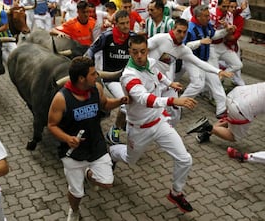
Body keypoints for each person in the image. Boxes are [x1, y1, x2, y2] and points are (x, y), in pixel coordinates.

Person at [109, 35, 197, 213]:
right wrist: (173, 101)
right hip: (139, 129)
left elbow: (157, 73)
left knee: (185, 159)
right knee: (130, 159)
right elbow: (143, 99)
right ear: (129, 52)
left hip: (159, 122)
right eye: (135, 52)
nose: (140, 56)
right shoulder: (128, 76)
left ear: (147, 50)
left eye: (143, 51)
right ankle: (111, 152)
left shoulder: (149, 61)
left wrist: (169, 82)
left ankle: (176, 193)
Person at [47, 56, 129, 221]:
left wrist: (120, 101)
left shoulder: (96, 88)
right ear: (81, 78)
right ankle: (74, 211)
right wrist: (67, 138)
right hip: (73, 151)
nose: (97, 76)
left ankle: (88, 173)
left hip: (96, 145)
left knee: (107, 182)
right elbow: (51, 125)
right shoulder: (61, 99)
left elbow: (104, 104)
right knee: (77, 193)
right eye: (93, 74)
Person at [147, 18, 233, 126]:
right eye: (179, 31)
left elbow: (199, 63)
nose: (182, 35)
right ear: (173, 29)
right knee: (146, 110)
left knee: (175, 112)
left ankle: (168, 130)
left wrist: (218, 71)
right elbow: (141, 49)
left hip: (166, 83)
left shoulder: (183, 49)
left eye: (184, 32)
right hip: (150, 80)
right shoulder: (160, 38)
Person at [180, 4, 230, 143]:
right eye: (206, 16)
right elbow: (183, 46)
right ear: (198, 16)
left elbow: (213, 35)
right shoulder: (190, 28)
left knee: (216, 82)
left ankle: (221, 109)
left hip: (205, 59)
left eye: (208, 15)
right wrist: (199, 42)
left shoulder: (206, 25)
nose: (209, 18)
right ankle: (177, 106)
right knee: (198, 84)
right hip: (192, 60)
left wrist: (226, 30)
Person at [86, 10, 135, 145]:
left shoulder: (133, 37)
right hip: (111, 78)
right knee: (125, 105)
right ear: (115, 24)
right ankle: (114, 132)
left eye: (128, 22)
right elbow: (91, 50)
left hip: (129, 77)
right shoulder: (106, 36)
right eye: (122, 23)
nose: (126, 26)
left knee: (135, 103)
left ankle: (125, 123)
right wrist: (88, 64)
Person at [187, 82, 265, 146]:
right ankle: (207, 127)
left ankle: (206, 133)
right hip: (242, 107)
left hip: (235, 94)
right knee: (234, 136)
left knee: (231, 118)